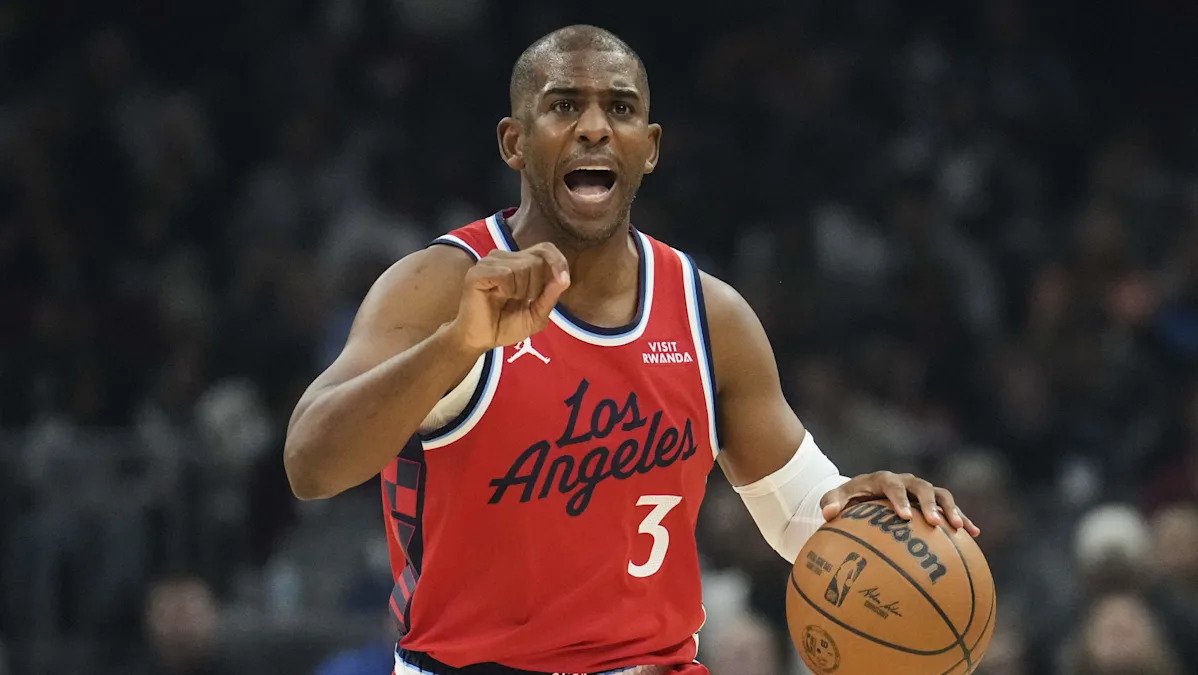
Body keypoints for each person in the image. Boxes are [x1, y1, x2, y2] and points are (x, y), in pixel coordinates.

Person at [284, 24, 979, 675]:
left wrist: (869, 514)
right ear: (514, 142)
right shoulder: (439, 285)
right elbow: (310, 466)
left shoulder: (710, 316)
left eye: (619, 108)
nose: (594, 127)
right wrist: (454, 345)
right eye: (564, 106)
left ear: (648, 147)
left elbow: (801, 516)